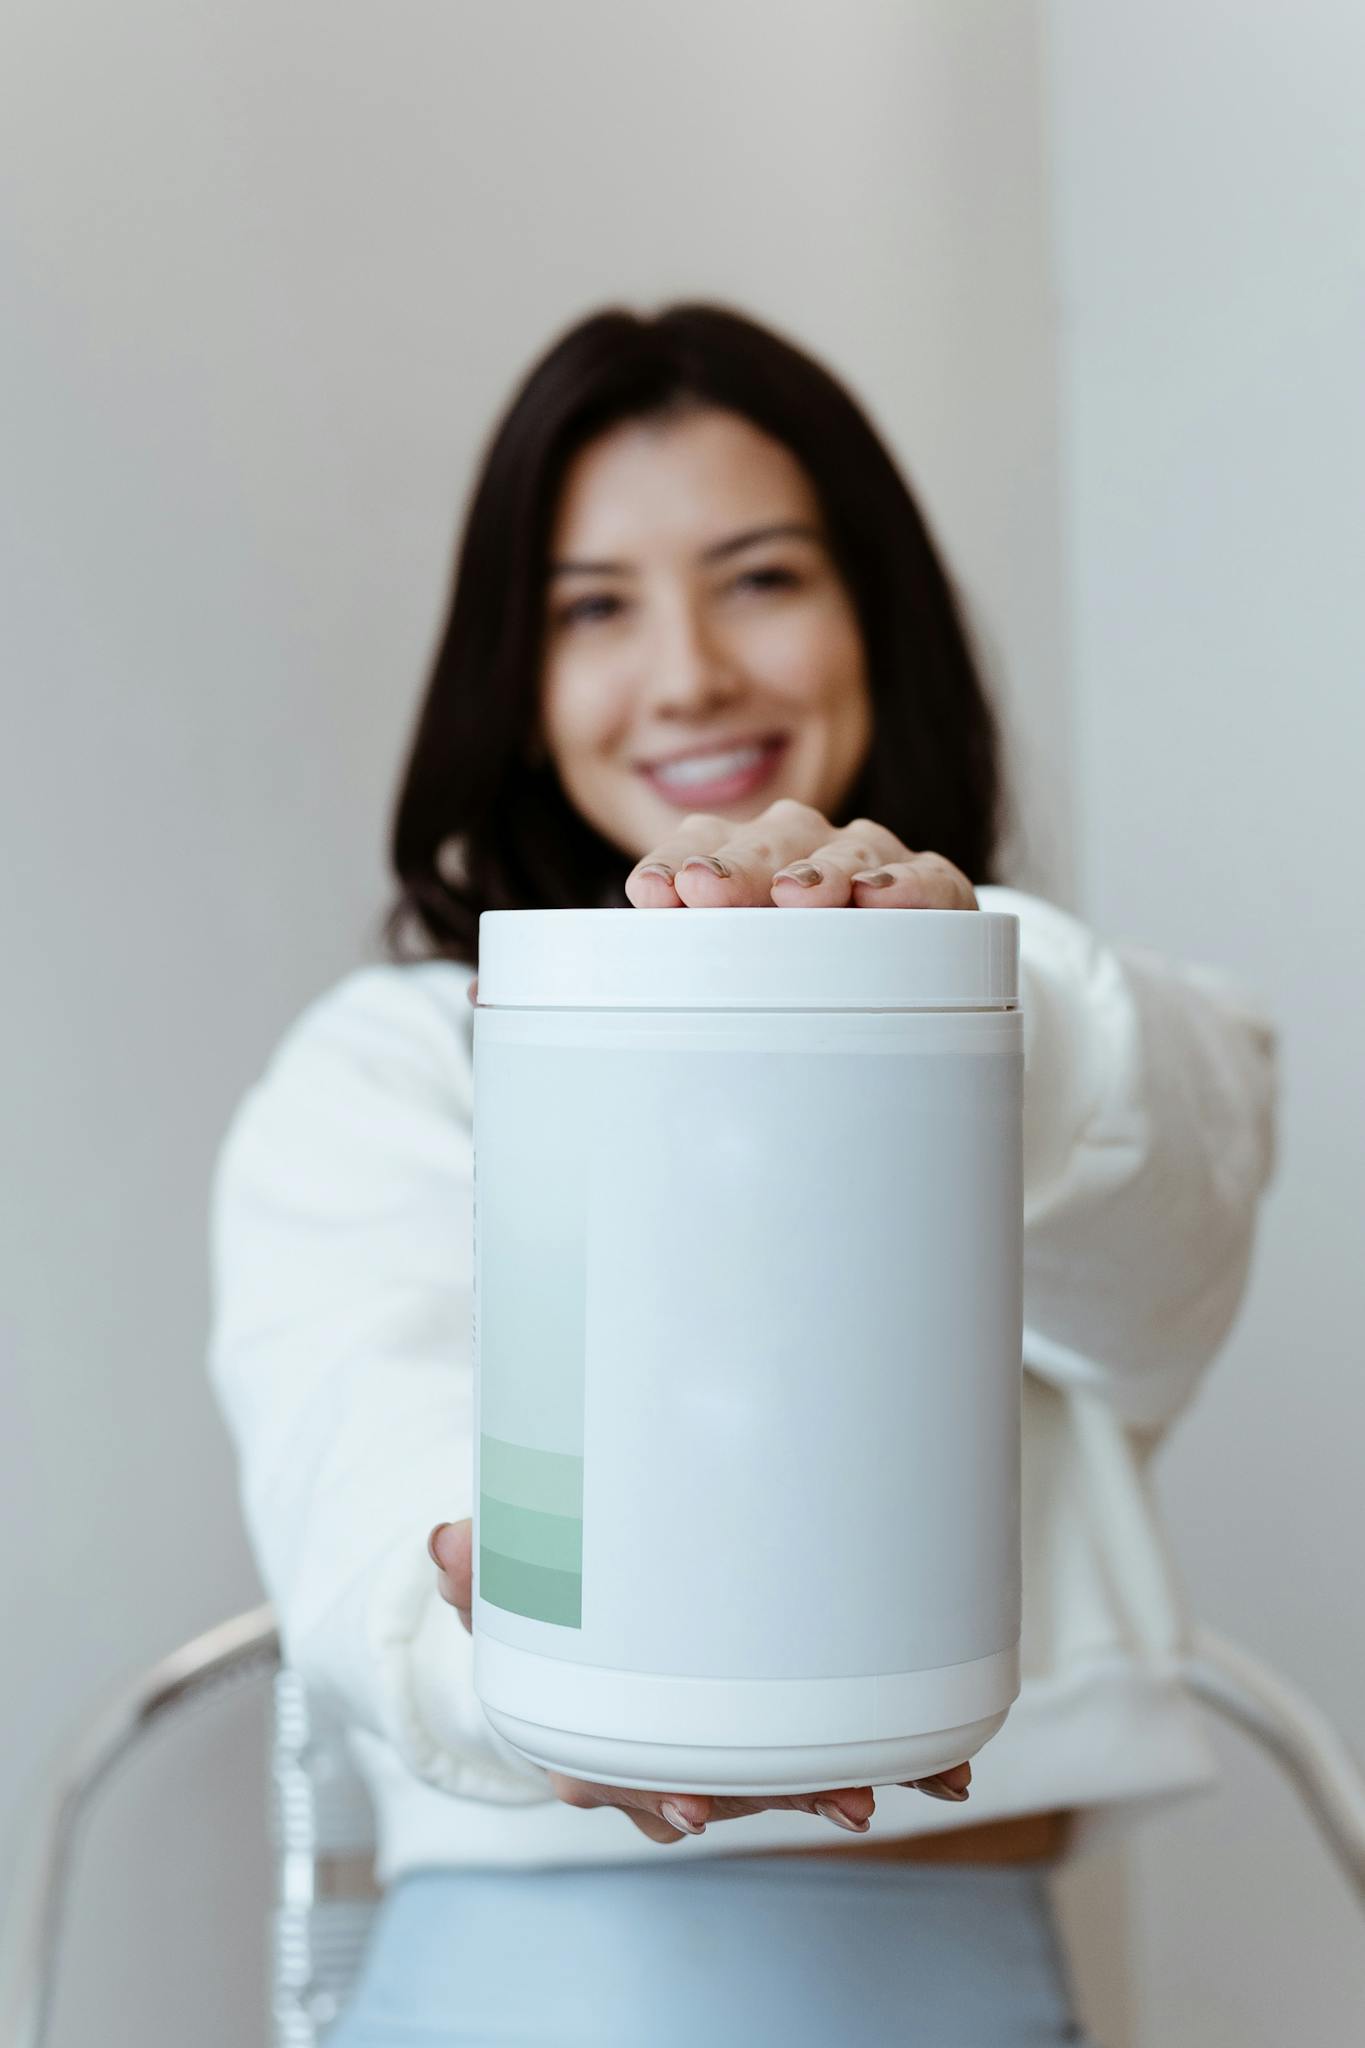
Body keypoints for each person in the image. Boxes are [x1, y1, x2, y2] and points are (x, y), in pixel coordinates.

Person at [207, 303, 1279, 2046]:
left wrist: (942, 990)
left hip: (959, 1970)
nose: (689, 670)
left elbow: (1173, 1228)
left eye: (761, 577)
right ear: (515, 671)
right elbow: (367, 1468)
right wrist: (501, 1638)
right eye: (591, 607)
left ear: (877, 611)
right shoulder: (396, 1063)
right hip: (517, 1979)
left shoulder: (1061, 1009)